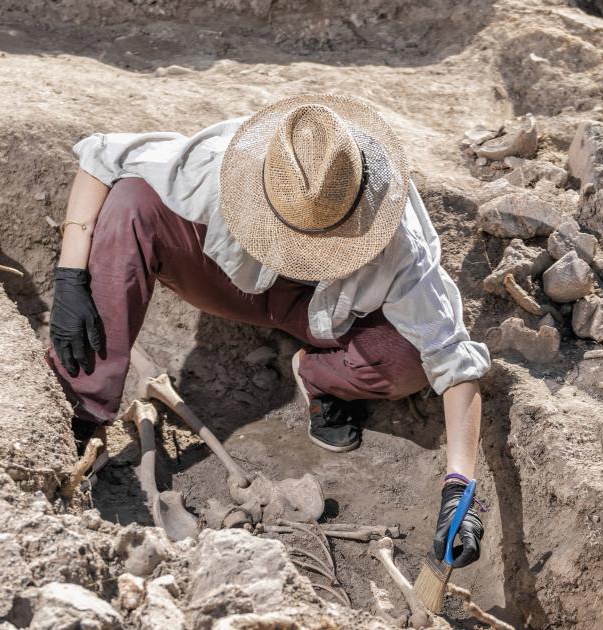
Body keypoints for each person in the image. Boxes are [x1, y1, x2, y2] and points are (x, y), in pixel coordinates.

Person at [49, 94, 486, 567]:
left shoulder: (398, 239)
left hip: (325, 312)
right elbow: (100, 156)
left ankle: (319, 376)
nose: (298, 252)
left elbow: (454, 358)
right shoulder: (221, 163)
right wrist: (71, 276)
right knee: (132, 202)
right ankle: (83, 416)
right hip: (226, 282)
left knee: (406, 360)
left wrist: (460, 492)